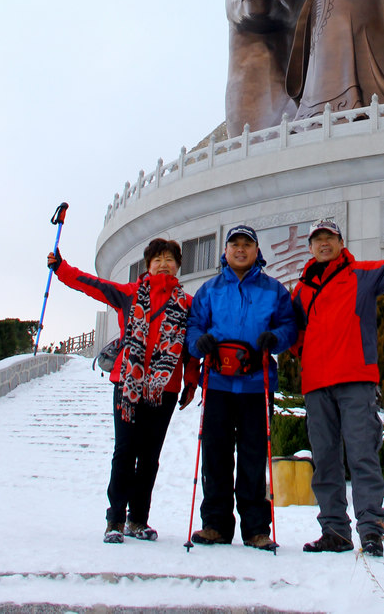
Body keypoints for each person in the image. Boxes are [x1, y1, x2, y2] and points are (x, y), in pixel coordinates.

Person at [291, 213, 384, 556]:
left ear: (341, 243)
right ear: (311, 247)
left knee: (362, 455)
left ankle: (371, 529)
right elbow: (293, 331)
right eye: (317, 239)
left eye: (330, 237)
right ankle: (334, 531)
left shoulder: (361, 275)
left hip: (355, 379)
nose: (323, 243)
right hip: (316, 385)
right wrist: (301, 352)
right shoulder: (301, 290)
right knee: (325, 460)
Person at [47, 237, 199, 543]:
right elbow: (92, 284)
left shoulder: (188, 303)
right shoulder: (129, 294)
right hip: (128, 384)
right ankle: (115, 519)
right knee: (125, 451)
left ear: (178, 266)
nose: (163, 264)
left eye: (170, 259)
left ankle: (138, 520)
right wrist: (62, 269)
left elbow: (190, 348)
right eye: (157, 259)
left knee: (150, 456)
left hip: (164, 388)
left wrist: (191, 381)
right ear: (148, 265)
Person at [186, 223, 297, 551]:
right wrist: (199, 343)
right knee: (216, 456)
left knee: (252, 457)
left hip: (255, 386)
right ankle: (215, 525)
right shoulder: (209, 289)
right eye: (234, 244)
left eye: (246, 244)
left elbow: (289, 324)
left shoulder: (274, 290)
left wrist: (275, 338)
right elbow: (194, 326)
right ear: (225, 251)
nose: (240, 249)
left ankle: (255, 528)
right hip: (217, 384)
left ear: (256, 250)